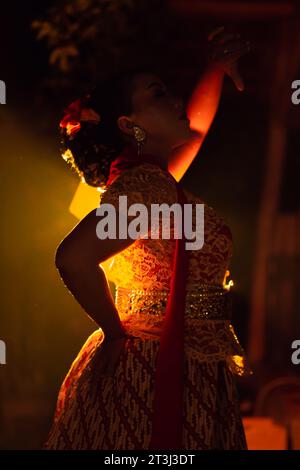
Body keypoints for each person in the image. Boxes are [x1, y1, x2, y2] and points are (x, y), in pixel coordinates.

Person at [44, 28, 252, 450]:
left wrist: (214, 72)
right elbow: (73, 258)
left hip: (171, 357)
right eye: (159, 95)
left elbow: (195, 130)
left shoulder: (152, 182)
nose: (175, 102)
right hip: (155, 365)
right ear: (129, 125)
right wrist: (115, 333)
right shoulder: (148, 188)